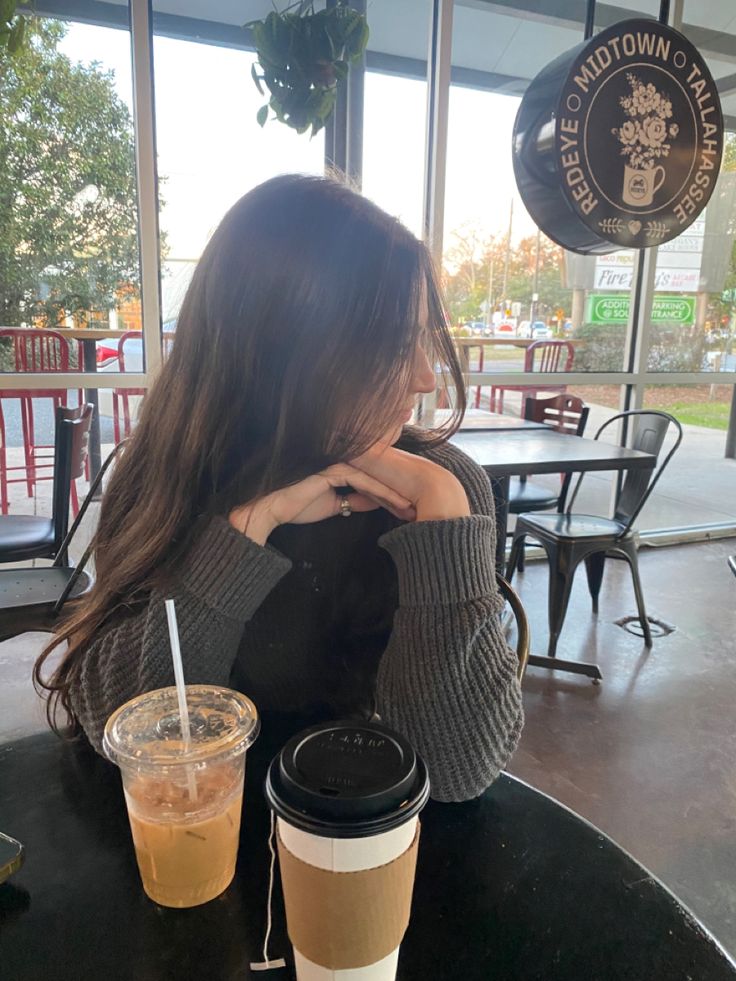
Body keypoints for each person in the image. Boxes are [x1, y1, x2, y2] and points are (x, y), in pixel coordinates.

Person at [35, 174, 523, 803]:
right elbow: (132, 732)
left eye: (425, 341)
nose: (426, 379)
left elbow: (457, 773)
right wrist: (242, 536)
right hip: (210, 830)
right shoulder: (172, 478)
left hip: (372, 841)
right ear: (287, 352)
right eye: (396, 347)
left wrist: (447, 535)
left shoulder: (442, 492)